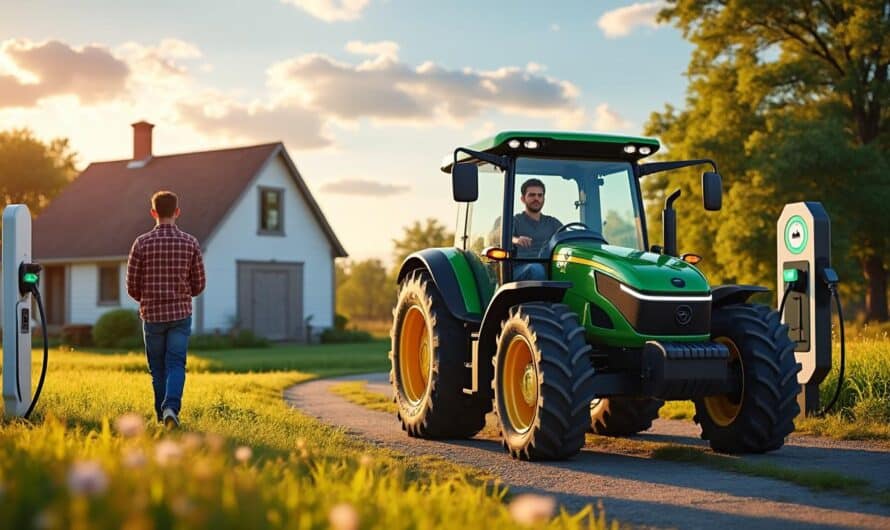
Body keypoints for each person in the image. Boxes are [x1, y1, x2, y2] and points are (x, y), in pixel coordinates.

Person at [126, 191, 206, 429]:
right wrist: (181, 295)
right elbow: (199, 284)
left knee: (157, 368)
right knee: (176, 364)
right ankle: (171, 408)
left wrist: (148, 298)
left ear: (153, 213)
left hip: (152, 316)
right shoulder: (190, 243)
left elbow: (131, 285)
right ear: (177, 212)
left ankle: (162, 418)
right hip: (180, 314)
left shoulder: (141, 243)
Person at [511, 178, 562, 281]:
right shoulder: (514, 220)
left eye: (540, 195)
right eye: (532, 195)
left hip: (548, 266)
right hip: (520, 269)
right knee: (536, 269)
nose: (536, 198)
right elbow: (497, 236)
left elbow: (567, 237)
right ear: (523, 199)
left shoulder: (552, 222)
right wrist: (516, 240)